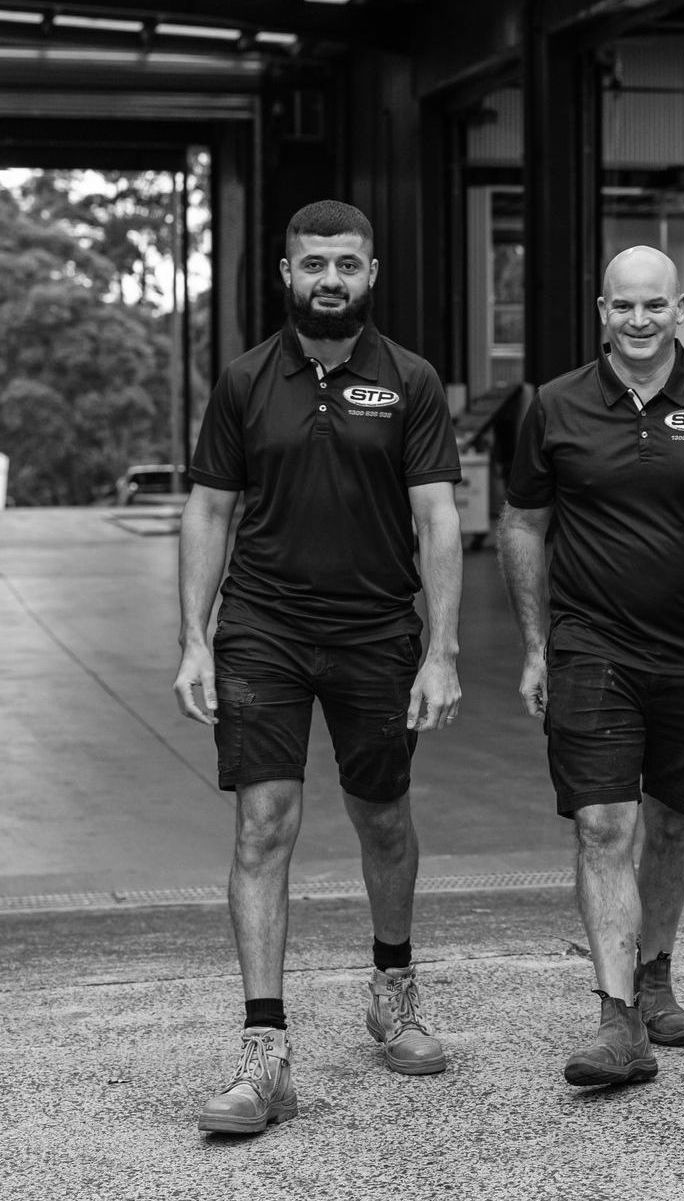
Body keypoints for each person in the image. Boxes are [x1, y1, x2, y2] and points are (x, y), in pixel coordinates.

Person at [173, 199, 462, 1134]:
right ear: (286, 274)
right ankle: (265, 1052)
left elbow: (437, 518)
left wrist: (443, 648)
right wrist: (193, 637)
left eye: (346, 265)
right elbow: (210, 511)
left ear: (370, 274)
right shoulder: (246, 380)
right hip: (264, 625)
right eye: (312, 265)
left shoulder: (410, 380)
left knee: (383, 817)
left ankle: (393, 990)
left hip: (377, 628)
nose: (328, 280)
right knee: (264, 822)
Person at [496, 246, 684, 1087]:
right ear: (602, 310)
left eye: (655, 306)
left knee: (676, 822)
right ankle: (617, 1021)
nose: (639, 321)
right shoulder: (554, 404)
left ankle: (655, 973)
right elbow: (521, 525)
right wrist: (539, 643)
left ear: (681, 308)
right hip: (593, 645)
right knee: (604, 824)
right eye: (624, 307)